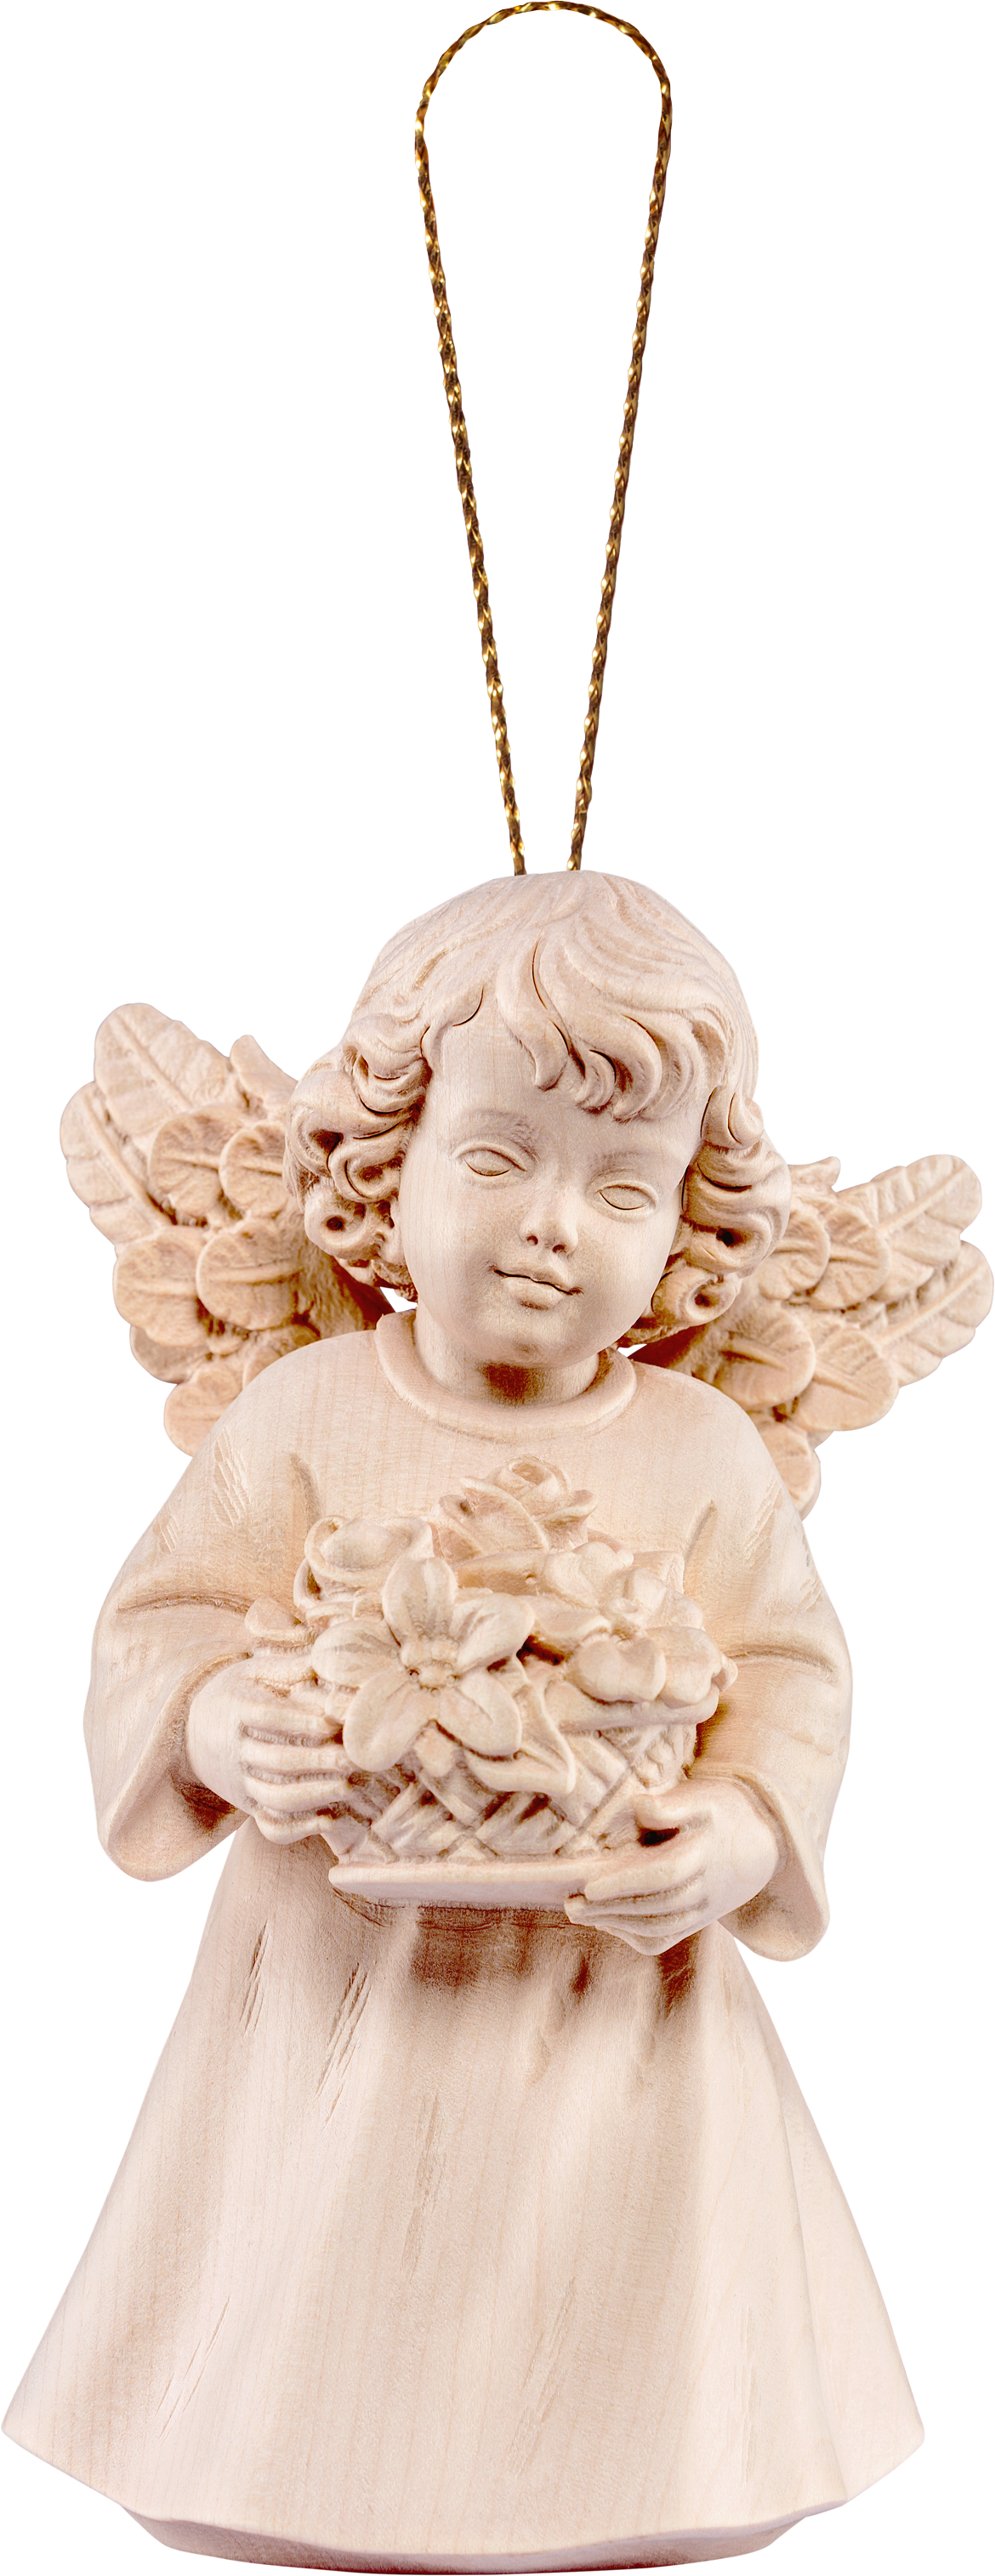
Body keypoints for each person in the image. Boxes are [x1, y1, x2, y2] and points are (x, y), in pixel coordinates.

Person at [5, 876, 924, 2569]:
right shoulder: (304, 1414)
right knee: (323, 2285)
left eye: (622, 1186)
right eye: (498, 1156)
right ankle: (287, 2481)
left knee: (630, 2307)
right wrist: (212, 1722)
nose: (552, 1226)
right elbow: (158, 1622)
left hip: (619, 1999)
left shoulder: (700, 1450)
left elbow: (792, 1673)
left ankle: (650, 2489)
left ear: (687, 1223)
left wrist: (742, 1826)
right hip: (338, 1993)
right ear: (386, 1161)